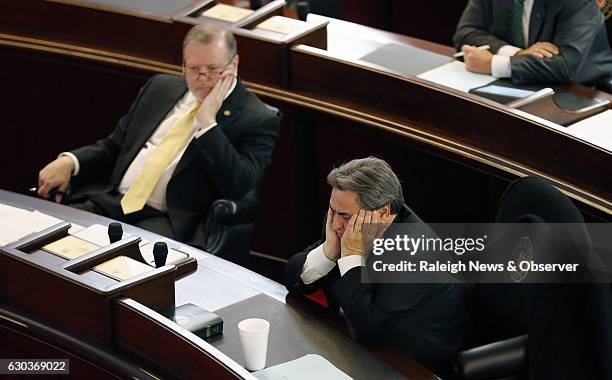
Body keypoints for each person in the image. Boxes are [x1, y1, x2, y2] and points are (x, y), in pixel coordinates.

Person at [36, 24, 280, 248]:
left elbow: (239, 186)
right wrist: (70, 161)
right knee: (49, 243)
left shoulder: (256, 118)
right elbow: (115, 147)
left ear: (234, 65)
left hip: (167, 220)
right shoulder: (160, 87)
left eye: (212, 70)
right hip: (112, 201)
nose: (201, 79)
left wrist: (207, 126)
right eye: (193, 69)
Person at [283, 157, 468, 376]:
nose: (333, 224)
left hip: (408, 365)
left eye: (343, 216)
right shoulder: (342, 219)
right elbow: (292, 279)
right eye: (332, 211)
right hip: (349, 345)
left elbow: (368, 325)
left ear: (381, 213)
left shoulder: (416, 254)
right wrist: (328, 252)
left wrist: (351, 255)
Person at [453, 0, 612, 86]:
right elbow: (465, 33)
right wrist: (516, 53)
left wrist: (493, 64)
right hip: (521, 84)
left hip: (583, 91)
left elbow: (565, 66)